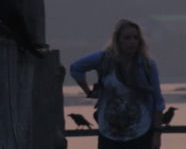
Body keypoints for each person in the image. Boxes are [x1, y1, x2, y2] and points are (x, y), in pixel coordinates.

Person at [70, 19, 165, 148]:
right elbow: (76, 68)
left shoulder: (147, 65)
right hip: (109, 133)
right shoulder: (104, 59)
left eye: (135, 38)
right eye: (127, 38)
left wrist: (157, 136)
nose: (132, 42)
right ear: (118, 40)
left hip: (140, 132)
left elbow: (158, 102)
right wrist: (88, 92)